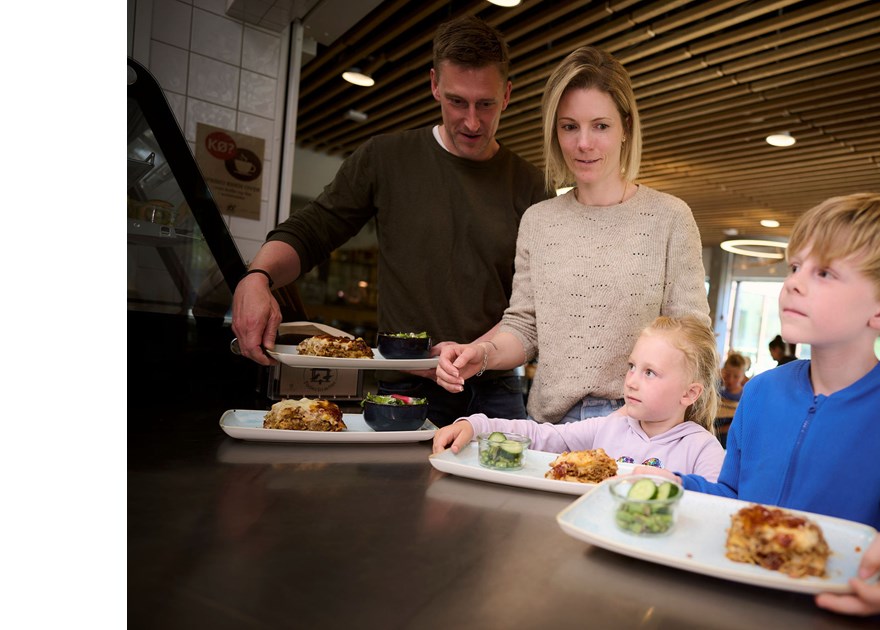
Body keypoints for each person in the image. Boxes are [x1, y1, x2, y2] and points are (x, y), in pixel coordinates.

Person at [637, 193, 880, 617]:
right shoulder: (762, 391)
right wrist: (681, 486)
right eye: (795, 267)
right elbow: (735, 497)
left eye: (824, 272)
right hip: (738, 608)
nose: (793, 283)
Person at [230, 16, 550, 426]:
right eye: (457, 101)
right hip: (407, 385)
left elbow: (537, 302)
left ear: (506, 95)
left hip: (497, 387)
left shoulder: (531, 185)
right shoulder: (385, 158)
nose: (472, 122)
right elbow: (312, 231)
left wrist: (475, 354)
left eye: (485, 104)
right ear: (435, 85)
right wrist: (257, 278)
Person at [434, 46, 710, 424]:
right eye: (569, 126)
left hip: (637, 427)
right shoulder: (538, 221)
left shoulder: (670, 218)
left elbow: (693, 341)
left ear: (626, 127)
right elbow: (525, 326)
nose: (583, 143)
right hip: (549, 429)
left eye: (601, 126)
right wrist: (481, 354)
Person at [432, 316, 724, 481]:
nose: (632, 381)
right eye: (632, 367)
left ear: (689, 393)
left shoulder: (703, 448)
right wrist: (477, 426)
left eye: (650, 373)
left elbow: (716, 507)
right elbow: (541, 436)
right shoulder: (610, 427)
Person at [713, 352, 749, 447]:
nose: (730, 380)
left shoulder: (744, 397)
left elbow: (741, 423)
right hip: (713, 439)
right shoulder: (718, 392)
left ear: (743, 377)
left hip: (730, 442)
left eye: (736, 376)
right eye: (727, 375)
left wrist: (717, 430)